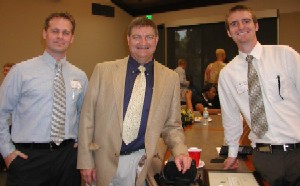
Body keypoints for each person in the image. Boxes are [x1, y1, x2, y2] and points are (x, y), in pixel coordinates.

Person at [77, 17, 192, 186]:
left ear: (157, 40)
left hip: (140, 164)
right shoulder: (103, 71)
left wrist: (180, 151)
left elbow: (172, 125)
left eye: (149, 37)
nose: (143, 42)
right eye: (137, 36)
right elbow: (87, 119)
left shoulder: (170, 78)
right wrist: (85, 161)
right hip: (100, 163)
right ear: (128, 39)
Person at [0, 12, 88, 186]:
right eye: (55, 31)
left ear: (72, 38)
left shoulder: (80, 76)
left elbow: (84, 115)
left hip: (67, 159)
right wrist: (7, 152)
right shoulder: (21, 71)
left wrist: (80, 142)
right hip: (28, 159)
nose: (60, 37)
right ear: (44, 33)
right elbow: (1, 112)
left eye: (66, 32)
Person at [218, 5, 300, 186]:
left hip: (297, 152)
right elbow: (231, 117)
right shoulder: (227, 74)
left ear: (256, 26)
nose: (240, 27)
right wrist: (232, 154)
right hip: (265, 157)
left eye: (246, 21)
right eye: (234, 24)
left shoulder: (285, 54)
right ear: (229, 32)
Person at [0, 62, 15, 172]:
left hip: (14, 125)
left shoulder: (18, 87)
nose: (7, 72)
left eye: (9, 70)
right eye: (5, 70)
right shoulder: (2, 87)